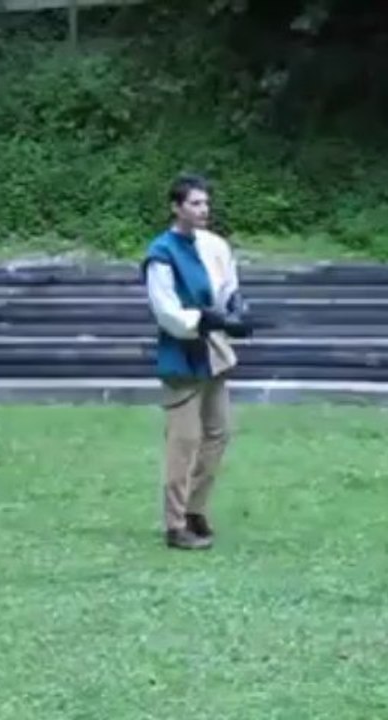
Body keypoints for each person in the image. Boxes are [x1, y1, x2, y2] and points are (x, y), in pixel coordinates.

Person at [141, 173, 252, 550]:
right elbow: (167, 313)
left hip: (213, 353)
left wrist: (235, 309)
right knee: (184, 441)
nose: (203, 210)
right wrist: (209, 320)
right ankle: (175, 524)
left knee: (218, 434)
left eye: (205, 203)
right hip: (182, 355)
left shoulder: (214, 245)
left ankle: (194, 508)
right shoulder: (161, 254)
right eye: (194, 203)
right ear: (176, 207)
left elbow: (227, 285)